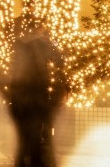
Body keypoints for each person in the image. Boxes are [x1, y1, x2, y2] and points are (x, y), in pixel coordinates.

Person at [9, 22, 67, 167]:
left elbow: (14, 67)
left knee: (22, 131)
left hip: (20, 92)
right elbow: (59, 61)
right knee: (36, 128)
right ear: (39, 29)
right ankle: (35, 160)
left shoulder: (18, 43)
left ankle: (21, 160)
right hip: (37, 91)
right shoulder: (43, 43)